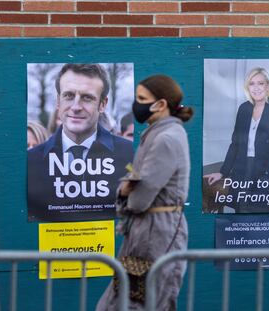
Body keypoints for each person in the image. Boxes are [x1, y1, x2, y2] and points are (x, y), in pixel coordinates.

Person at [96, 75, 193, 311]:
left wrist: (123, 190)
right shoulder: (157, 134)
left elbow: (139, 199)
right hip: (147, 231)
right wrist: (127, 190)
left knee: (142, 302)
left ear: (160, 104)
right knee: (128, 300)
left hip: (156, 234)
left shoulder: (166, 139)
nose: (136, 104)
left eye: (142, 98)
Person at [27, 63, 133, 222]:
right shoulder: (31, 161)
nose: (76, 107)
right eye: (68, 95)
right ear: (58, 101)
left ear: (103, 104)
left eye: (87, 97)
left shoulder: (129, 155)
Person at [204, 67, 269, 213]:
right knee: (241, 212)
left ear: (267, 86)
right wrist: (223, 172)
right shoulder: (244, 108)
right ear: (247, 87)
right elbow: (235, 144)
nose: (256, 88)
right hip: (243, 169)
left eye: (260, 83)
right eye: (252, 84)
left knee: (264, 215)